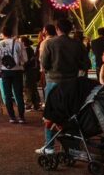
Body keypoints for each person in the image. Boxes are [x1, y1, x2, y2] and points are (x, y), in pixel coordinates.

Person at [37, 18, 89, 154]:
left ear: (57, 29)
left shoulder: (50, 43)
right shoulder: (78, 44)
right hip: (72, 83)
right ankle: (73, 147)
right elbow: (86, 64)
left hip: (54, 82)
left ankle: (49, 146)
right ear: (70, 29)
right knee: (72, 114)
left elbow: (44, 63)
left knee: (50, 114)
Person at [0, 25, 27, 124]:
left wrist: (0, 68)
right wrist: (20, 63)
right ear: (12, 33)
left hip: (5, 71)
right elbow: (25, 58)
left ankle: (12, 117)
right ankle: (21, 117)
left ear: (3, 34)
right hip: (17, 71)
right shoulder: (19, 43)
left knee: (7, 95)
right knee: (19, 94)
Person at [21, 36, 42, 111]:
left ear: (23, 42)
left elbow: (26, 62)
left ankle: (28, 104)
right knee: (33, 88)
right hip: (32, 71)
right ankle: (36, 104)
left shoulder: (26, 50)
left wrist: (22, 66)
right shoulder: (31, 49)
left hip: (27, 71)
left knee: (27, 88)